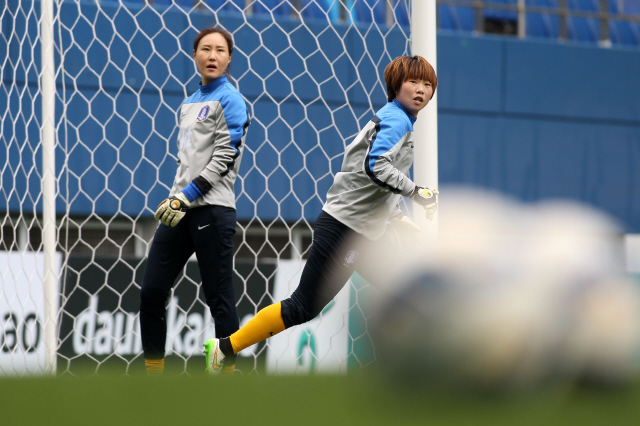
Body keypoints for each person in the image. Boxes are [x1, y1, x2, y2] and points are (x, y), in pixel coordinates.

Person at [204, 55, 438, 373]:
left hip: (365, 230)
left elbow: (369, 179)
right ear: (395, 85)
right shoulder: (397, 121)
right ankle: (223, 350)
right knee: (304, 306)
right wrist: (416, 192)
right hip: (346, 229)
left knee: (406, 296)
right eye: (413, 82)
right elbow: (375, 167)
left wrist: (398, 217)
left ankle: (422, 368)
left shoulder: (398, 119)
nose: (420, 89)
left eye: (427, 84)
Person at [140, 27, 250, 375]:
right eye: (206, 49)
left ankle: (225, 376)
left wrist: (185, 197)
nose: (213, 55)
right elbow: (186, 160)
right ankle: (153, 375)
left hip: (213, 210)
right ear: (195, 55)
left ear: (229, 58)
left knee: (218, 299)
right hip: (180, 210)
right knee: (152, 291)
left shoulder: (231, 99)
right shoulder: (188, 102)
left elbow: (225, 156)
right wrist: (176, 197)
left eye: (220, 50)